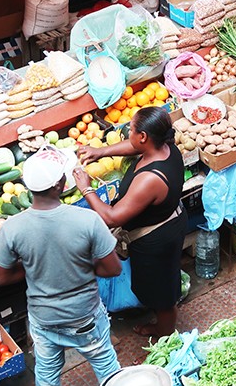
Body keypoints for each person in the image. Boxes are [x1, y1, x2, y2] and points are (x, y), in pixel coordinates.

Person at [0, 146, 122, 386]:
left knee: (47, 373)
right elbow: (113, 268)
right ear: (61, 184)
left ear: (27, 187)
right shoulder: (87, 220)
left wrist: (35, 268)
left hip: (43, 318)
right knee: (105, 364)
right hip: (83, 316)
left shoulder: (13, 227)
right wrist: (79, 267)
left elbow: (1, 277)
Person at [76, 107, 188, 338]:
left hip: (156, 239)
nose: (129, 135)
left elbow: (112, 217)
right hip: (164, 224)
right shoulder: (164, 147)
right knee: (157, 283)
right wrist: (100, 152)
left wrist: (86, 189)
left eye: (132, 131)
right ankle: (160, 318)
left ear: (144, 136)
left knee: (162, 293)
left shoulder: (150, 179)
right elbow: (134, 146)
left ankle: (165, 333)